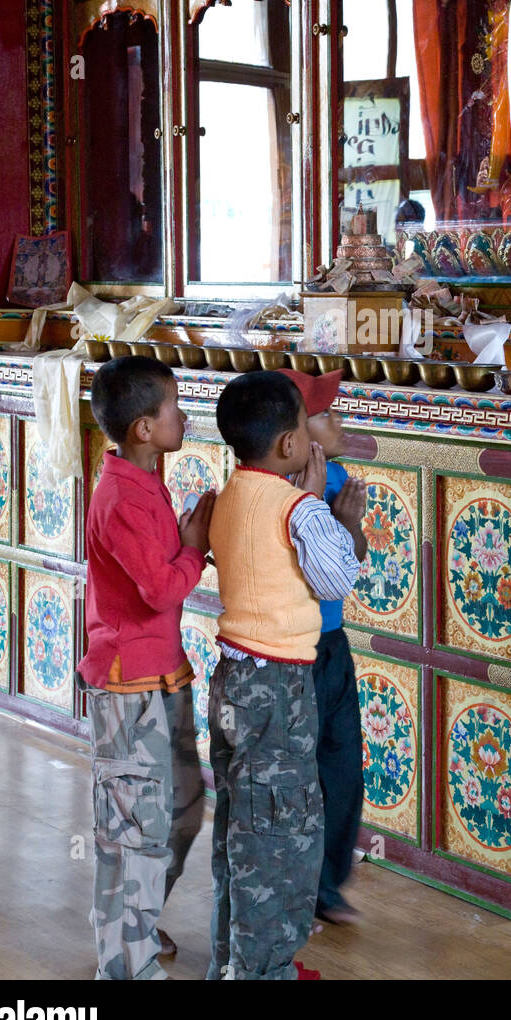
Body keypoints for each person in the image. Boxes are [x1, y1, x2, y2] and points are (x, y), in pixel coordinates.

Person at [207, 370, 363, 981]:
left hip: (233, 679)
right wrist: (334, 514)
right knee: (278, 836)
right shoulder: (298, 508)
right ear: (289, 446)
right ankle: (264, 971)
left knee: (238, 825)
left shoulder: (232, 492)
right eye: (304, 424)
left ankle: (232, 959)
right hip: (279, 689)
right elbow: (337, 579)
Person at [77, 355, 215, 981]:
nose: (182, 416)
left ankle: (135, 920)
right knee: (132, 828)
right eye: (173, 408)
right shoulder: (121, 497)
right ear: (142, 429)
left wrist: (185, 542)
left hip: (164, 675)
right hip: (128, 685)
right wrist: (193, 548)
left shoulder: (145, 481)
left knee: (182, 808)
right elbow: (161, 590)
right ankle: (125, 966)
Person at [281, 368, 367, 925]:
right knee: (295, 770)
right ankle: (292, 883)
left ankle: (327, 883)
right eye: (327, 414)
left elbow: (351, 559)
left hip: (332, 643)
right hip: (290, 646)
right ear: (295, 433)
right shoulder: (271, 488)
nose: (339, 422)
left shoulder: (337, 478)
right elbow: (306, 574)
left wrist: (348, 525)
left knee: (342, 764)